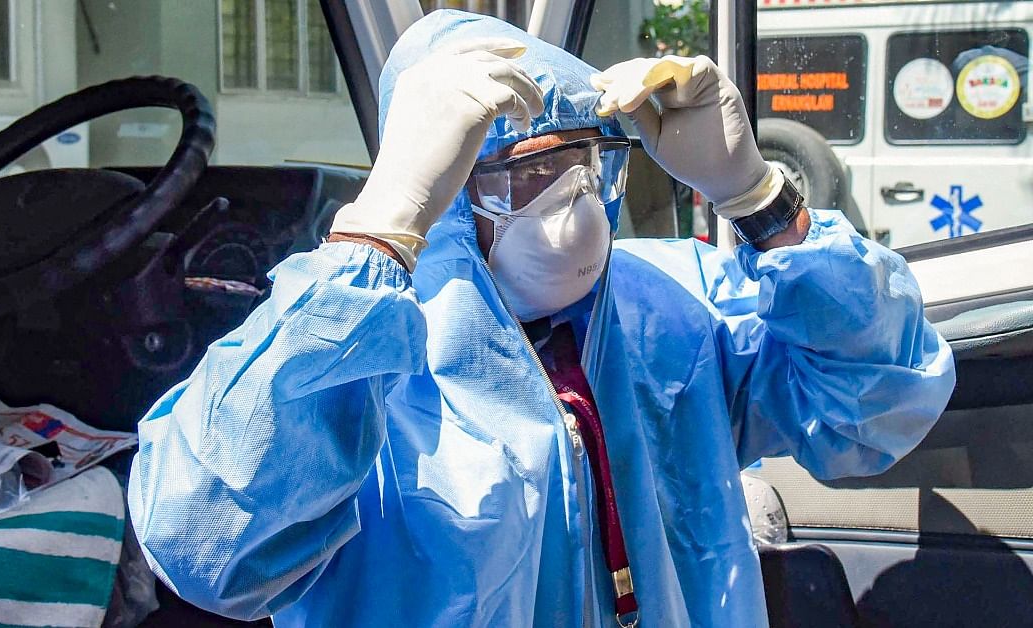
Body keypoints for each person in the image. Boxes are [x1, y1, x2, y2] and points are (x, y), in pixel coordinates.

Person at [128, 10, 955, 627]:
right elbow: (206, 544)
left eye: (590, 159)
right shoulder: (356, 348)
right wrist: (375, 232)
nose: (576, 200)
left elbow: (877, 401)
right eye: (527, 172)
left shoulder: (673, 311)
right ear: (446, 188)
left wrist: (762, 202)